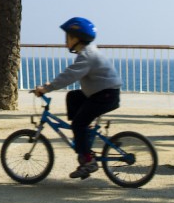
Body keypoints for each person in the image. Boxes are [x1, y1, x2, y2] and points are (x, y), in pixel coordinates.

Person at [33, 17, 122, 179]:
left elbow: (69, 75)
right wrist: (49, 86)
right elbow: (70, 75)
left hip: (105, 95)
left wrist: (46, 88)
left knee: (78, 124)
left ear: (76, 38)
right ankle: (84, 133)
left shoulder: (87, 55)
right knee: (73, 97)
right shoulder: (88, 52)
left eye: (67, 37)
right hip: (103, 93)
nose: (65, 41)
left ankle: (88, 161)